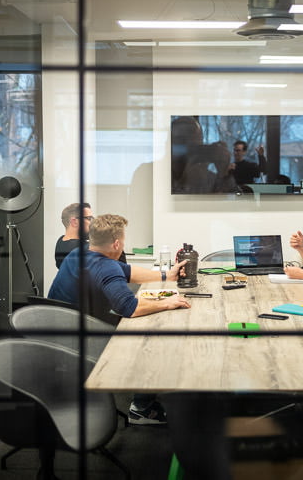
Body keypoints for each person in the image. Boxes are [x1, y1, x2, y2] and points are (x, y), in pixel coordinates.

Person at [48, 214, 190, 424]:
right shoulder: (105, 266)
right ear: (116, 243)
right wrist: (168, 303)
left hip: (56, 328)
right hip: (79, 338)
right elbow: (128, 308)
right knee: (153, 335)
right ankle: (142, 409)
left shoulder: (81, 253)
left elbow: (128, 271)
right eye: (123, 240)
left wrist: (166, 276)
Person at [171, 116, 237, 194]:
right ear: (169, 143)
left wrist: (224, 173)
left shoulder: (207, 178)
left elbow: (231, 199)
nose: (188, 150)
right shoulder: (156, 172)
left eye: (194, 146)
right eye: (181, 141)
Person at [54, 202, 125, 268]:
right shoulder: (84, 248)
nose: (92, 223)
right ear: (74, 222)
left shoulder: (61, 241)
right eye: (89, 218)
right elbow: (120, 268)